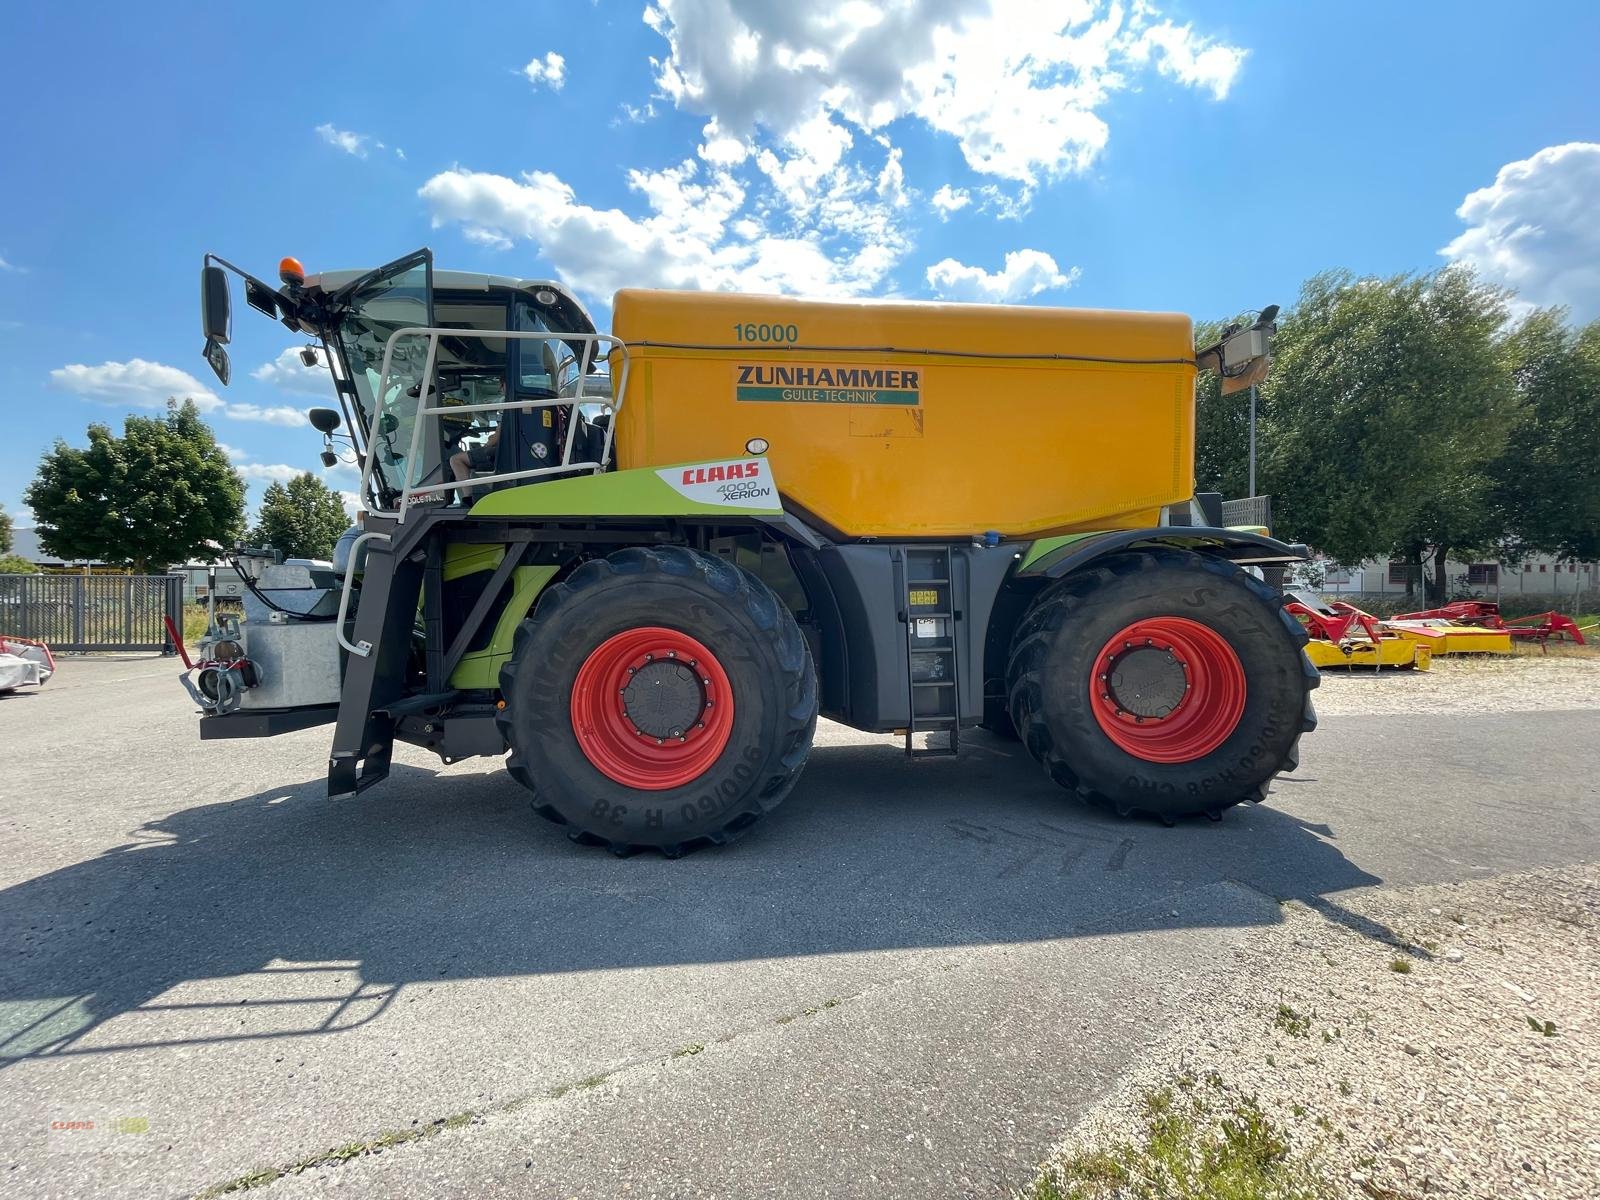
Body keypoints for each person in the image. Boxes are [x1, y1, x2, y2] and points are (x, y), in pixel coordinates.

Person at [449, 427, 499, 500]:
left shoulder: (509, 416)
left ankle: (468, 499)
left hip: (498, 452)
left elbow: (497, 435)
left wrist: (487, 445)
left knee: (455, 460)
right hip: (502, 453)